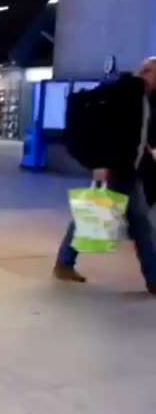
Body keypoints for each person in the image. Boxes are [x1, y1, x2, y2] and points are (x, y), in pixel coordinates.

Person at [54, 57, 156, 293]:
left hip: (129, 169)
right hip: (115, 167)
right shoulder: (123, 93)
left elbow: (138, 132)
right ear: (147, 72)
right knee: (110, 216)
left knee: (121, 218)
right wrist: (98, 162)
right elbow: (103, 130)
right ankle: (153, 277)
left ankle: (64, 263)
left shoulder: (145, 97)